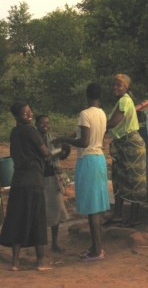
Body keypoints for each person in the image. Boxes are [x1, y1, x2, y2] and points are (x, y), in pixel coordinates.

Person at [55, 83, 110, 261]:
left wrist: (64, 139)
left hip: (88, 160)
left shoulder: (85, 114)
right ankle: (95, 246)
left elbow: (84, 142)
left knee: (92, 209)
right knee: (95, 207)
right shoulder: (102, 113)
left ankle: (98, 251)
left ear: (87, 96)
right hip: (99, 158)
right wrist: (71, 137)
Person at [0, 101, 53, 271]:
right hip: (33, 179)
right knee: (37, 218)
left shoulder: (14, 132)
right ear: (18, 116)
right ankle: (41, 261)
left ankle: (15, 262)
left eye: (30, 112)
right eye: (26, 113)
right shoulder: (31, 130)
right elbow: (44, 152)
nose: (30, 115)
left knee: (17, 218)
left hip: (18, 180)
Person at [105, 74, 146, 228]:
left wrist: (94, 128)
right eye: (114, 85)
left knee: (134, 181)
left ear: (126, 87)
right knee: (119, 178)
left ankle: (134, 218)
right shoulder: (123, 101)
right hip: (123, 144)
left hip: (131, 146)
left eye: (119, 85)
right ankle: (118, 215)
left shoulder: (124, 101)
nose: (115, 87)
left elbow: (114, 122)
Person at [36, 115, 69, 253]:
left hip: (53, 178)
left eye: (47, 123)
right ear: (36, 124)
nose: (45, 125)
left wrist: (64, 150)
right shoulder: (34, 139)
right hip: (39, 179)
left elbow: (62, 155)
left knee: (56, 211)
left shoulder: (53, 139)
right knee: (40, 213)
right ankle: (42, 245)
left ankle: (54, 243)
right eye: (42, 122)